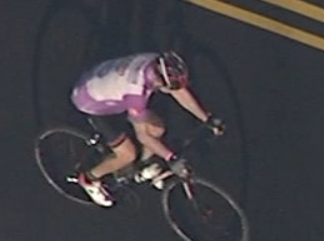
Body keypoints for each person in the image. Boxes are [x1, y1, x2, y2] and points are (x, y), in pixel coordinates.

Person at [68, 51, 222, 206]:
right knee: (128, 154)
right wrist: (171, 158)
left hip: (99, 80)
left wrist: (206, 118)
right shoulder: (136, 94)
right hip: (91, 102)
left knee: (157, 128)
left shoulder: (153, 61)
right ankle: (89, 179)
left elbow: (178, 91)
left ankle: (143, 167)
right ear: (158, 79)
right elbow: (143, 136)